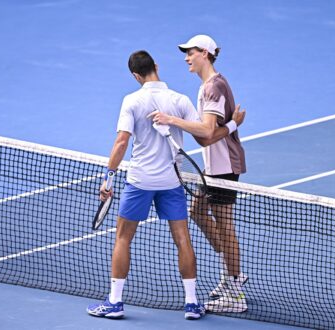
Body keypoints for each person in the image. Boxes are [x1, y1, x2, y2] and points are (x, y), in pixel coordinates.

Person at [87, 50, 226, 320]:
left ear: (136, 76)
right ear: (156, 67)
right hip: (171, 181)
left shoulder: (132, 100)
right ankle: (192, 303)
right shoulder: (180, 100)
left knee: (123, 238)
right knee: (182, 239)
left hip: (140, 181)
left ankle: (115, 302)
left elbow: (121, 142)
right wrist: (230, 126)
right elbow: (203, 132)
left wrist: (109, 177)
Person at [151, 34, 248, 313]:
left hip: (224, 167)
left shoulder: (212, 88)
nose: (186, 58)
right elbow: (207, 135)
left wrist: (171, 120)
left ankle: (235, 291)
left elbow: (206, 133)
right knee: (196, 211)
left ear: (205, 53)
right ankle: (232, 272)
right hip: (213, 166)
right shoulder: (210, 85)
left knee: (226, 226)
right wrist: (231, 125)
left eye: (190, 52)